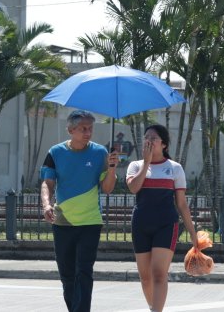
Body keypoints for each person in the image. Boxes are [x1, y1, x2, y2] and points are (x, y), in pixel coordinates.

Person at [39, 110, 119, 312]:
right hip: (63, 221)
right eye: (83, 128)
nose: (88, 132)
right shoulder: (55, 152)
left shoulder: (100, 152)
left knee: (83, 272)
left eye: (90, 128)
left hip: (90, 222)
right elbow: (47, 183)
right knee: (67, 274)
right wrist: (46, 204)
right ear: (70, 129)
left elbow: (107, 188)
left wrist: (111, 169)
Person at [125, 123, 198, 312]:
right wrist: (147, 163)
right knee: (145, 277)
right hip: (140, 224)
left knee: (158, 273)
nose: (149, 141)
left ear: (164, 144)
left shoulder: (175, 168)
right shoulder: (135, 166)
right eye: (146, 137)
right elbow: (134, 188)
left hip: (166, 224)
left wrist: (192, 233)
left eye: (154, 138)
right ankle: (153, 307)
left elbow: (181, 204)